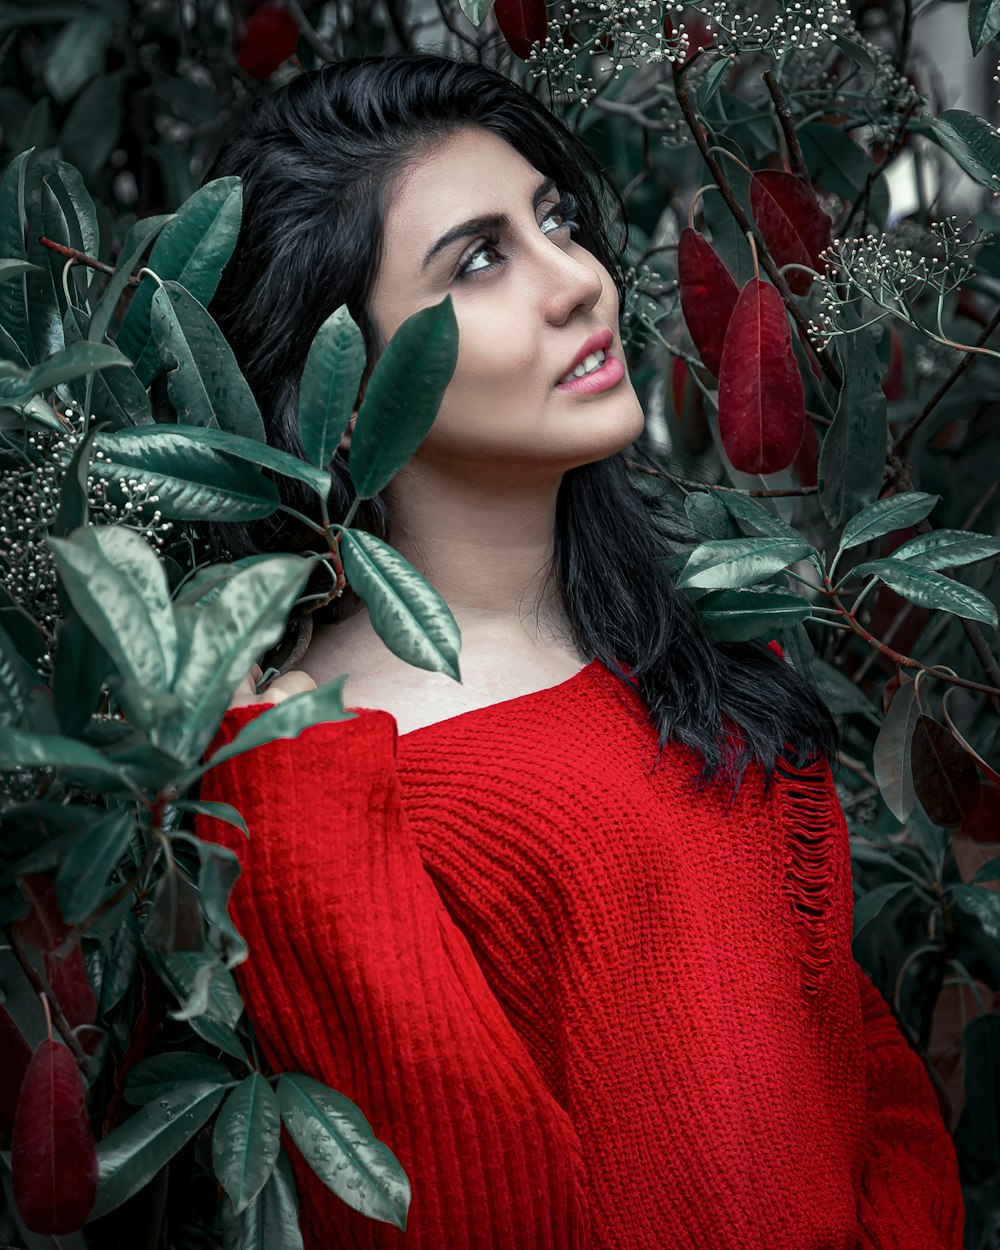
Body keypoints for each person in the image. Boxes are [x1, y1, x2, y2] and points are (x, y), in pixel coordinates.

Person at [199, 54, 965, 1249]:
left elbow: (858, 1078)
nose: (578, 282)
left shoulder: (692, 661)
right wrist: (294, 818)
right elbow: (452, 1207)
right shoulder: (314, 770)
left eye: (556, 219)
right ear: (346, 388)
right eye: (480, 259)